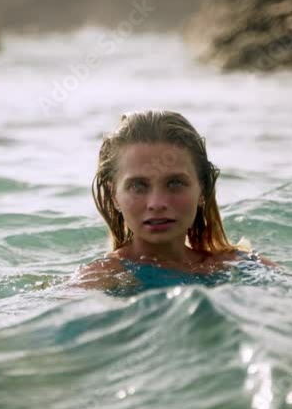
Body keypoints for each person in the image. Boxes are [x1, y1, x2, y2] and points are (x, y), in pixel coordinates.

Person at [73, 110, 278, 293]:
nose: (157, 203)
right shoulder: (98, 280)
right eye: (138, 186)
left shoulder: (242, 265)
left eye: (175, 183)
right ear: (113, 197)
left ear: (203, 190)